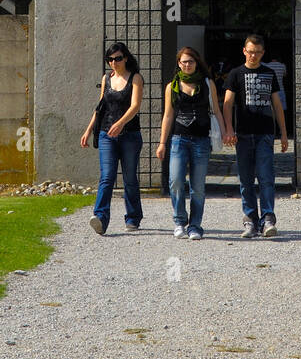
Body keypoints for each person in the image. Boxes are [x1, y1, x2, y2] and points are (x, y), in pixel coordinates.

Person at [156, 46, 229, 240]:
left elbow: (217, 111)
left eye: (191, 61)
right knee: (176, 181)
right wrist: (162, 142)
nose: (187, 65)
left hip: (201, 140)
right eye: (184, 62)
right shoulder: (172, 86)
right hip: (179, 140)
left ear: (197, 63)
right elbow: (168, 115)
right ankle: (180, 221)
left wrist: (225, 133)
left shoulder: (207, 84)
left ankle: (195, 225)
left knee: (198, 186)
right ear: (179, 64)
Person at [223, 33, 288, 238]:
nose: (254, 56)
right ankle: (250, 219)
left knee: (266, 177)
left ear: (263, 53)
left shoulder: (269, 73)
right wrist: (228, 129)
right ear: (244, 51)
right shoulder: (235, 74)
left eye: (258, 52)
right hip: (242, 133)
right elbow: (227, 104)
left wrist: (284, 134)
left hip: (265, 132)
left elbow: (277, 104)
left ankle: (268, 218)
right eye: (250, 52)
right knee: (246, 179)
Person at [81, 42, 144, 235]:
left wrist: (121, 123)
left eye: (117, 58)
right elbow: (100, 108)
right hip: (106, 134)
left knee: (129, 178)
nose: (114, 62)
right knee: (107, 176)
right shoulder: (106, 79)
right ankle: (100, 217)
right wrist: (89, 130)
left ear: (125, 58)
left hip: (130, 135)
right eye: (110, 59)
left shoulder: (135, 78)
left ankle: (133, 217)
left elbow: (135, 106)